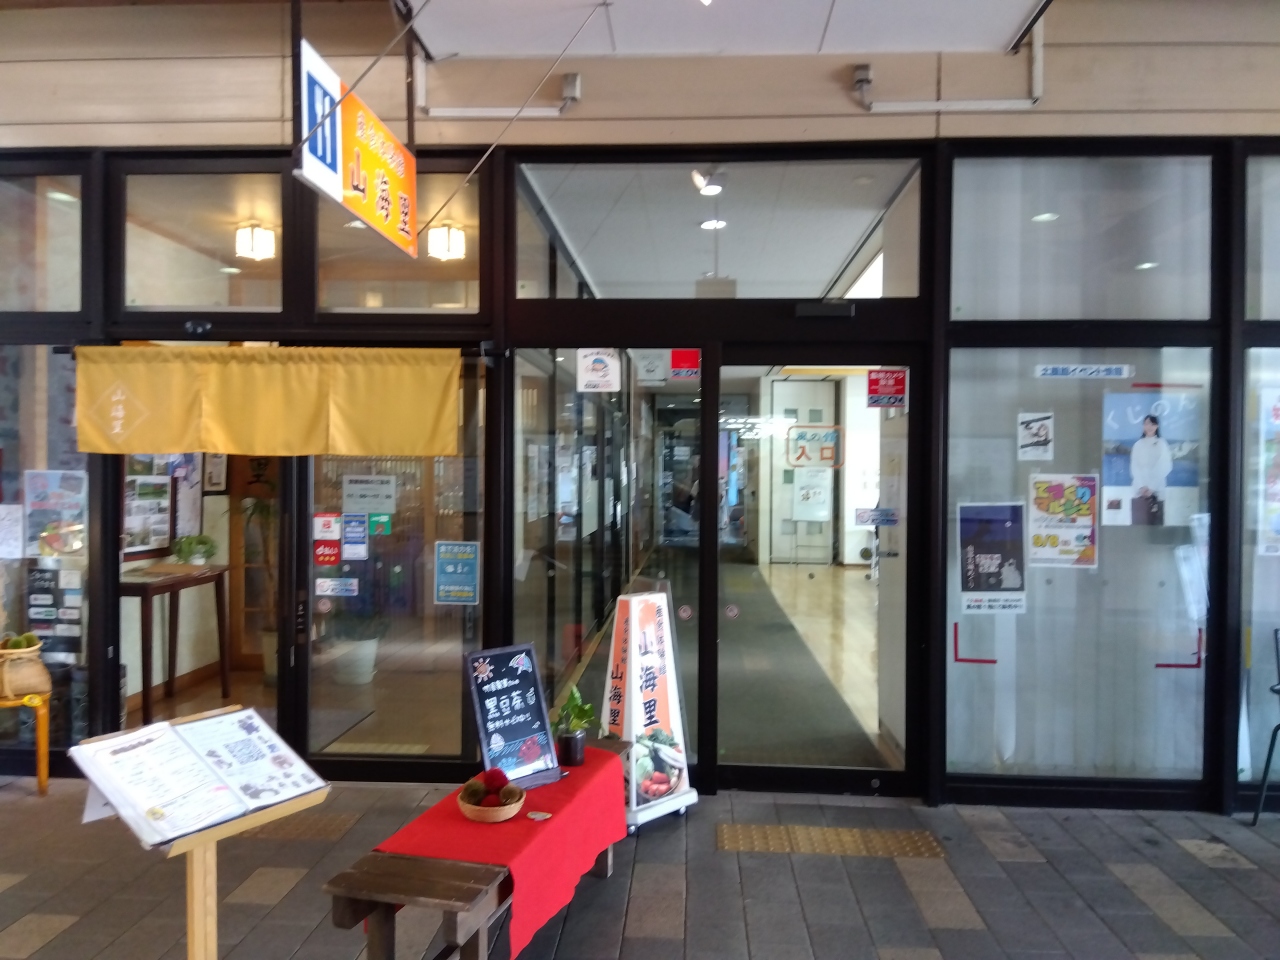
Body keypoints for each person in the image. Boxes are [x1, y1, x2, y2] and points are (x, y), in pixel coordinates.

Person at [1130, 414, 1173, 523]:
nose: (1149, 427)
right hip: (1139, 492)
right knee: (1139, 523)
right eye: (1146, 424)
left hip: (1157, 491)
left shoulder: (1162, 444)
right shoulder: (1137, 445)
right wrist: (1142, 487)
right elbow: (1134, 467)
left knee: (1156, 523)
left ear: (1157, 426)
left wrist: (1151, 488)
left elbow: (1165, 466)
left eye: (1152, 424)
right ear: (1143, 426)